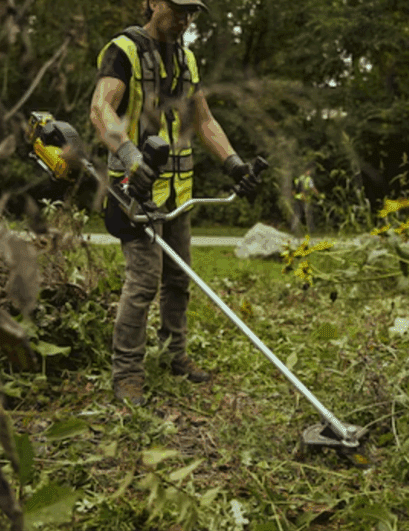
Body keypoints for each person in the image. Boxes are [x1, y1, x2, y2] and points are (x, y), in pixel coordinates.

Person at [90, 0, 259, 406]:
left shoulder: (186, 59)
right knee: (143, 282)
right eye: (178, 7)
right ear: (152, 2)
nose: (185, 18)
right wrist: (132, 158)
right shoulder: (124, 50)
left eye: (192, 11)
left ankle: (174, 354)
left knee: (178, 280)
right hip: (135, 192)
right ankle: (127, 373)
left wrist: (234, 164)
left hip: (177, 192)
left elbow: (204, 121)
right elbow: (101, 109)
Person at [291, 168, 320, 234]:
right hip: (304, 199)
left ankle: (294, 229)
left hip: (298, 198)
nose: (309, 173)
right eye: (308, 171)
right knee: (306, 214)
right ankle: (307, 230)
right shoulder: (308, 179)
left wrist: (294, 196)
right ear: (305, 171)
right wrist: (318, 194)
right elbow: (312, 188)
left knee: (297, 214)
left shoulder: (299, 178)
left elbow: (294, 189)